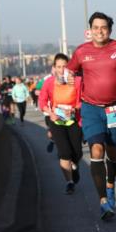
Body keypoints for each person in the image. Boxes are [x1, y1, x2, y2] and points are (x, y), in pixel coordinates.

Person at [67, 12, 116, 221]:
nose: (99, 31)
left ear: (109, 30)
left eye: (103, 27)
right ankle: (103, 201)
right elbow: (70, 72)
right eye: (96, 27)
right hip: (91, 108)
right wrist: (65, 83)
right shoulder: (82, 52)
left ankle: (110, 184)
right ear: (90, 30)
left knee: (113, 151)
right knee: (96, 148)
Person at [38, 53, 83, 194]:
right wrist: (50, 113)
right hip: (57, 121)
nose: (62, 69)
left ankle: (74, 166)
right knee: (64, 153)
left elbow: (83, 99)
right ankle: (69, 182)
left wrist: (75, 110)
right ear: (54, 68)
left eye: (65, 66)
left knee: (77, 152)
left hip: (74, 120)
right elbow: (42, 101)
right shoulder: (49, 82)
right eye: (59, 66)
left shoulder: (77, 81)